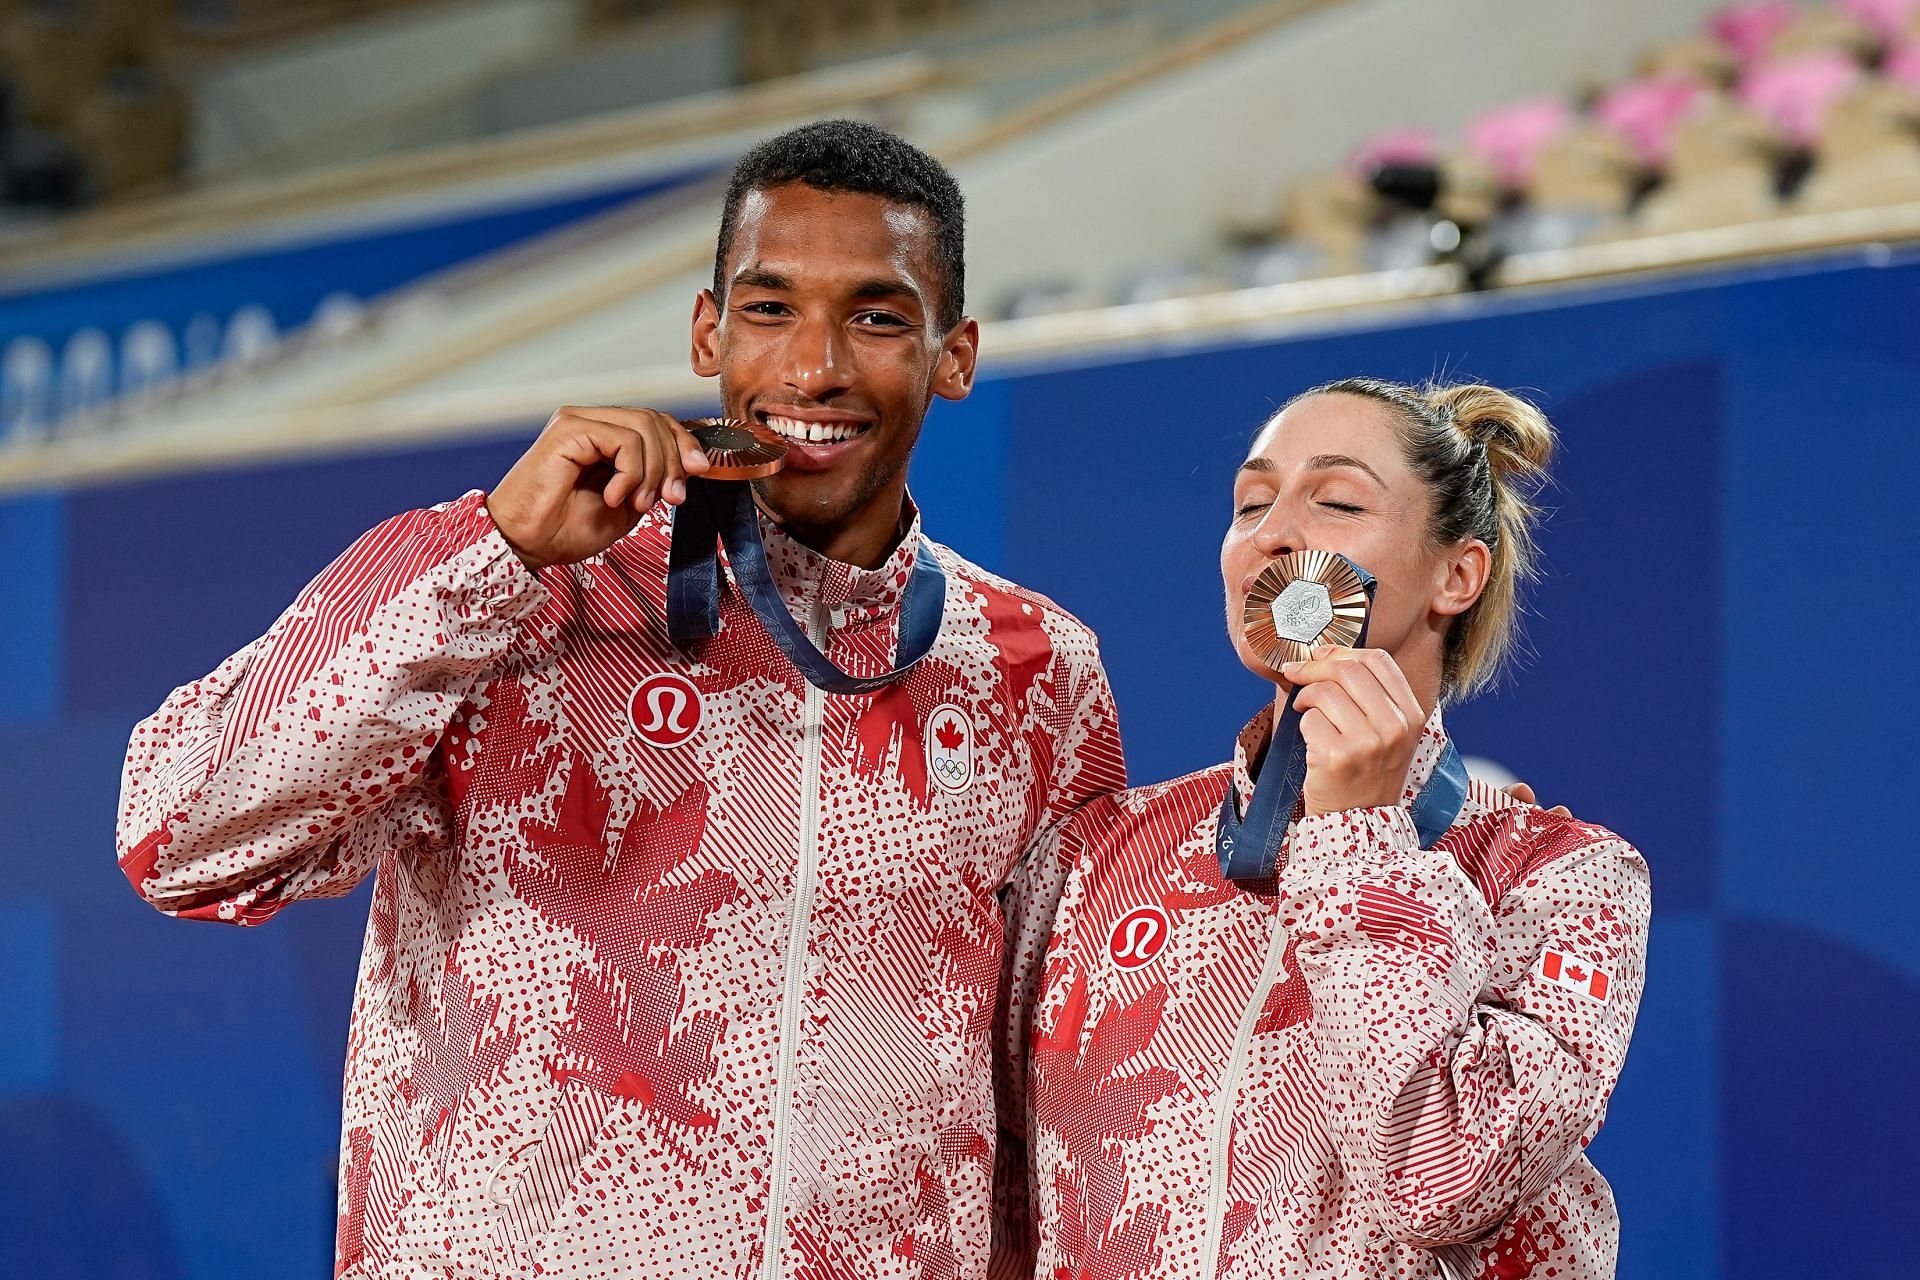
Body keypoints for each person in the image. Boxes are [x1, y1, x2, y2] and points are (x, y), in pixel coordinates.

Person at [115, 120, 1125, 1280]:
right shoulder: (519, 594)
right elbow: (175, 837)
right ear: (707, 331)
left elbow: (1045, 1093)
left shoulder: (1035, 669)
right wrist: (492, 551)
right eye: (770, 308)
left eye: (880, 316)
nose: (817, 366)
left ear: (955, 354)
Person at [1019, 378, 1650, 1279]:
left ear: (1456, 575)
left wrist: (1357, 833)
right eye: (1250, 503)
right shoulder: (1102, 851)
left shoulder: (1563, 879)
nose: (1274, 534)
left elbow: (1441, 1182)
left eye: (1339, 502)